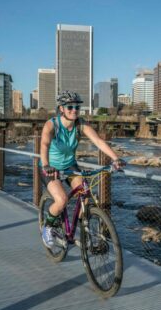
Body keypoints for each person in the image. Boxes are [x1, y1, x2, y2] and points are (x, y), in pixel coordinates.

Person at [39, 91, 126, 249]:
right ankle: (47, 226)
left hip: (70, 165)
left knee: (85, 194)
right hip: (51, 168)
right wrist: (46, 165)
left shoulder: (81, 124)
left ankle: (82, 227)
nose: (74, 110)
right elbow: (44, 144)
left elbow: (98, 141)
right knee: (62, 200)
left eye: (77, 107)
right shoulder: (52, 125)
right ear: (61, 109)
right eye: (70, 107)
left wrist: (115, 158)